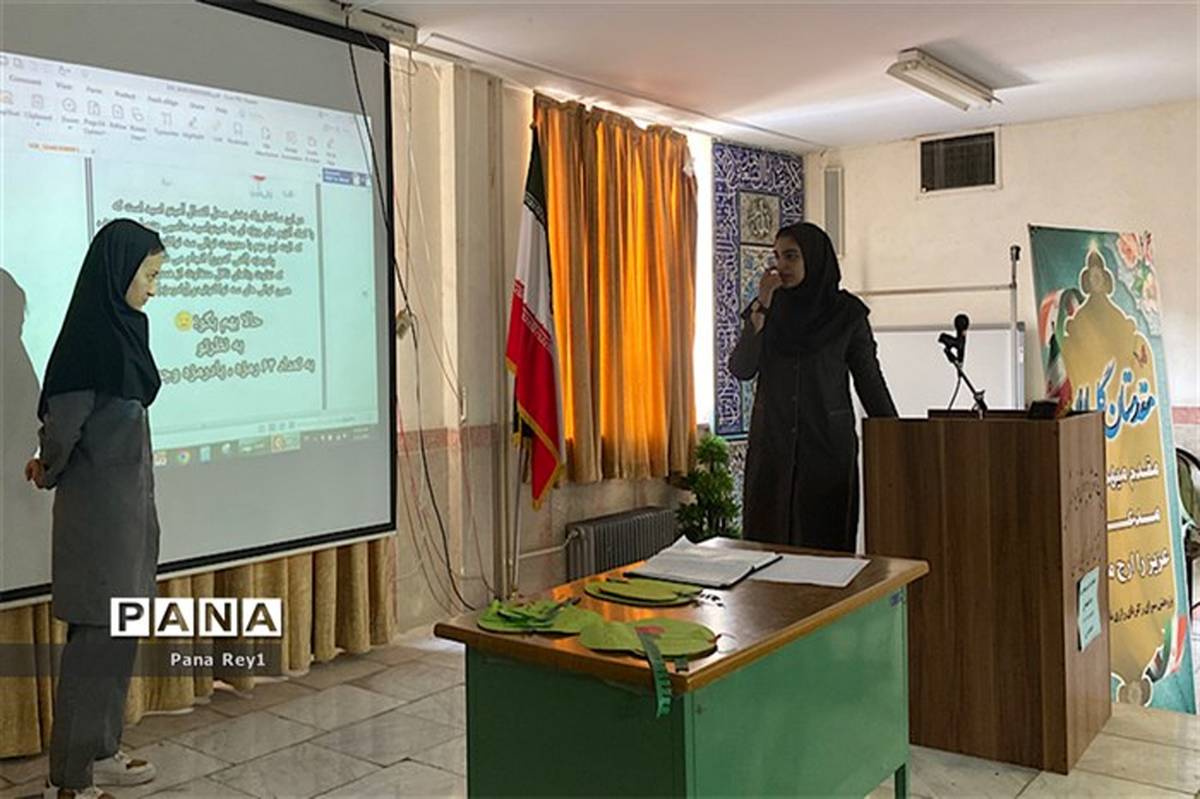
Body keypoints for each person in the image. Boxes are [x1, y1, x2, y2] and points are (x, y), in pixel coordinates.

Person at [25, 219, 165, 799]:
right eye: (148, 275)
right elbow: (63, 430)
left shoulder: (127, 333)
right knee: (94, 646)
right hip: (99, 523)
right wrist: (45, 467)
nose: (153, 288)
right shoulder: (87, 344)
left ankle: (102, 751)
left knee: (120, 636)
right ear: (118, 272)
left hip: (131, 516)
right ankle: (70, 780)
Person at [729, 222, 897, 552]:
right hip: (773, 448)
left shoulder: (847, 315)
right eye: (777, 257)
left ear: (815, 258)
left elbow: (870, 382)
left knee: (824, 546)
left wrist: (897, 438)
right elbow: (742, 368)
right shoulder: (767, 309)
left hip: (826, 450)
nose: (782, 266)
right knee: (768, 545)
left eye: (791, 256)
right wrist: (761, 307)